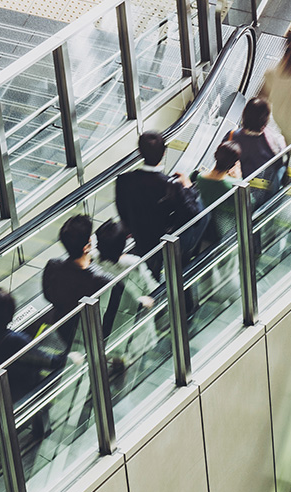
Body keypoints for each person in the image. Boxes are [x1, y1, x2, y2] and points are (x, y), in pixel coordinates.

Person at [0, 288, 80, 435]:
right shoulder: (16, 341)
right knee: (37, 386)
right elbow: (48, 361)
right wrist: (70, 358)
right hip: (11, 390)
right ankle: (40, 431)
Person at [115, 131, 208, 280]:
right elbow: (193, 215)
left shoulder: (124, 180)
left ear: (140, 152)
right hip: (161, 241)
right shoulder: (171, 186)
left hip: (138, 235)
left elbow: (122, 210)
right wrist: (189, 188)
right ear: (164, 153)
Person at [42, 214, 115, 347]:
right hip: (93, 334)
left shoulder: (53, 266)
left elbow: (48, 295)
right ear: (87, 246)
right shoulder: (101, 280)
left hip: (64, 328)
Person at [93, 219, 158, 367]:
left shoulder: (93, 264)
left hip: (108, 326)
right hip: (134, 323)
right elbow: (152, 288)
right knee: (136, 362)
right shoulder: (133, 264)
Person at [229, 98, 287, 207]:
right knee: (282, 169)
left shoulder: (231, 136)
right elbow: (281, 162)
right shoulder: (275, 141)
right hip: (263, 195)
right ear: (265, 120)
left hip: (234, 189)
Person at [193, 141, 241, 246]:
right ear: (234, 164)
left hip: (201, 230)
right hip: (221, 232)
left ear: (215, 155)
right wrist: (239, 178)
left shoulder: (198, 177)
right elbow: (249, 202)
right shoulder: (232, 185)